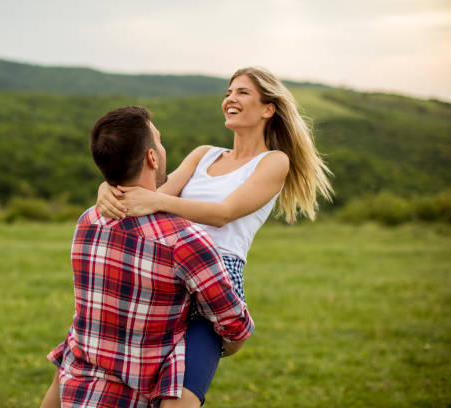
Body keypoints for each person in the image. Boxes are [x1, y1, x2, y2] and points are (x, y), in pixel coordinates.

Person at [97, 67, 334, 405]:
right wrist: (108, 186)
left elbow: (224, 214)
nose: (230, 99)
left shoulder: (273, 162)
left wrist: (159, 201)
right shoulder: (203, 154)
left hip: (217, 278)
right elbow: (149, 189)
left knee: (181, 398)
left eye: (242, 92)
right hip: (167, 269)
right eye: (228, 92)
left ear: (268, 108)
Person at [40, 106, 254, 408]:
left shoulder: (87, 221)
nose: (162, 147)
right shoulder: (184, 240)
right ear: (151, 158)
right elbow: (236, 328)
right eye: (159, 140)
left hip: (77, 396)